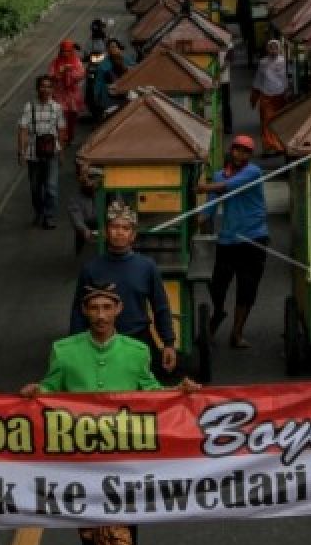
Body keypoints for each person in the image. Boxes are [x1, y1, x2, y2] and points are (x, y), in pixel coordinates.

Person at [22, 282, 200, 545]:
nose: (101, 315)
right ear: (85, 312)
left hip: (123, 463)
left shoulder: (136, 351)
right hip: (80, 462)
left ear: (118, 310)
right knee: (89, 538)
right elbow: (50, 389)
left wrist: (179, 392)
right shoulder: (64, 350)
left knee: (123, 535)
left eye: (107, 307)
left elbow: (151, 395)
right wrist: (35, 391)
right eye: (94, 308)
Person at [70, 200, 177, 374]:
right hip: (100, 345)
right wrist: (75, 348)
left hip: (139, 341)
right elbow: (78, 313)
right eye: (114, 227)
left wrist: (169, 343)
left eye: (125, 228)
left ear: (133, 235)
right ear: (106, 231)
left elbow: (161, 307)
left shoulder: (147, 267)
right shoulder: (90, 269)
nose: (119, 232)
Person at [198, 135, 270, 348]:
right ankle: (219, 311)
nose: (240, 154)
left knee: (247, 288)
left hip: (254, 239)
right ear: (231, 151)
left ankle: (237, 333)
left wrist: (204, 187)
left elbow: (228, 187)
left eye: (246, 151)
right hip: (228, 240)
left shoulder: (253, 173)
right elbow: (210, 207)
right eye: (237, 150)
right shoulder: (220, 176)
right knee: (217, 284)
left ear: (250, 155)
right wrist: (195, 220)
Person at [17, 74, 66, 229]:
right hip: (33, 152)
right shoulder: (29, 107)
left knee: (51, 186)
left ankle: (49, 215)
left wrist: (62, 151)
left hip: (52, 151)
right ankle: (39, 212)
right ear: (37, 88)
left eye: (49, 86)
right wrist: (21, 152)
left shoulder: (57, 107)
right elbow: (23, 130)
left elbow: (61, 129)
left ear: (52, 89)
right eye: (43, 86)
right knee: (35, 187)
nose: (45, 89)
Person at [250, 40, 289, 156]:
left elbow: (288, 78)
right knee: (267, 122)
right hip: (266, 97)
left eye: (275, 47)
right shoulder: (263, 63)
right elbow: (258, 80)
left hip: (281, 96)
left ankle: (279, 146)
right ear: (267, 49)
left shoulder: (284, 61)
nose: (273, 50)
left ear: (279, 48)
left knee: (280, 122)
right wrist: (254, 96)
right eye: (270, 48)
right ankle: (267, 147)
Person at [48, 39, 86, 144]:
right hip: (60, 94)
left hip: (72, 94)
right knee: (61, 114)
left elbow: (81, 74)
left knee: (72, 115)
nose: (65, 53)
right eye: (64, 51)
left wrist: (70, 72)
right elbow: (51, 76)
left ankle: (70, 134)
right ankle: (62, 135)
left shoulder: (76, 61)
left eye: (68, 51)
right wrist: (60, 73)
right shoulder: (55, 63)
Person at [69, 167, 102, 257]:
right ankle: (79, 252)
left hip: (104, 222)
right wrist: (84, 229)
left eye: (93, 180)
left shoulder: (107, 192)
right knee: (80, 234)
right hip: (86, 224)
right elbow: (76, 217)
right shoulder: (76, 198)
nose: (90, 184)